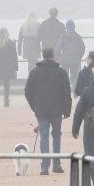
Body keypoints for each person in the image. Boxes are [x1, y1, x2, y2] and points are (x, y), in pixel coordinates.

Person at [24, 47, 72, 175]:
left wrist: (34, 106)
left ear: (42, 56)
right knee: (56, 135)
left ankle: (44, 167)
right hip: (57, 110)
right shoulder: (61, 73)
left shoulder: (34, 72)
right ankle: (56, 164)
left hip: (41, 110)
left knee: (44, 136)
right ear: (53, 56)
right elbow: (66, 92)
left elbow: (27, 92)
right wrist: (67, 109)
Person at [0, 27, 19, 107]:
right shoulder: (11, 43)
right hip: (7, 66)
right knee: (6, 83)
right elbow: (14, 56)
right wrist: (15, 68)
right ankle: (6, 99)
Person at [58, 19, 86, 88]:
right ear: (74, 27)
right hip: (75, 60)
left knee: (65, 75)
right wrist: (79, 56)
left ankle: (65, 89)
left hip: (64, 59)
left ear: (66, 27)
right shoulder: (78, 37)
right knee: (74, 76)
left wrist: (59, 56)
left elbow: (58, 47)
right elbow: (82, 48)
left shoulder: (63, 37)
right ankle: (75, 89)